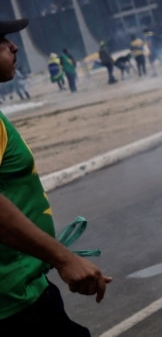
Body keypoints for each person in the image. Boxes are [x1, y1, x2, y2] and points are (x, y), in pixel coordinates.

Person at [0, 18, 112, 335]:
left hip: (21, 287)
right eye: (2, 40)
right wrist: (63, 259)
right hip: (13, 301)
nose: (14, 45)